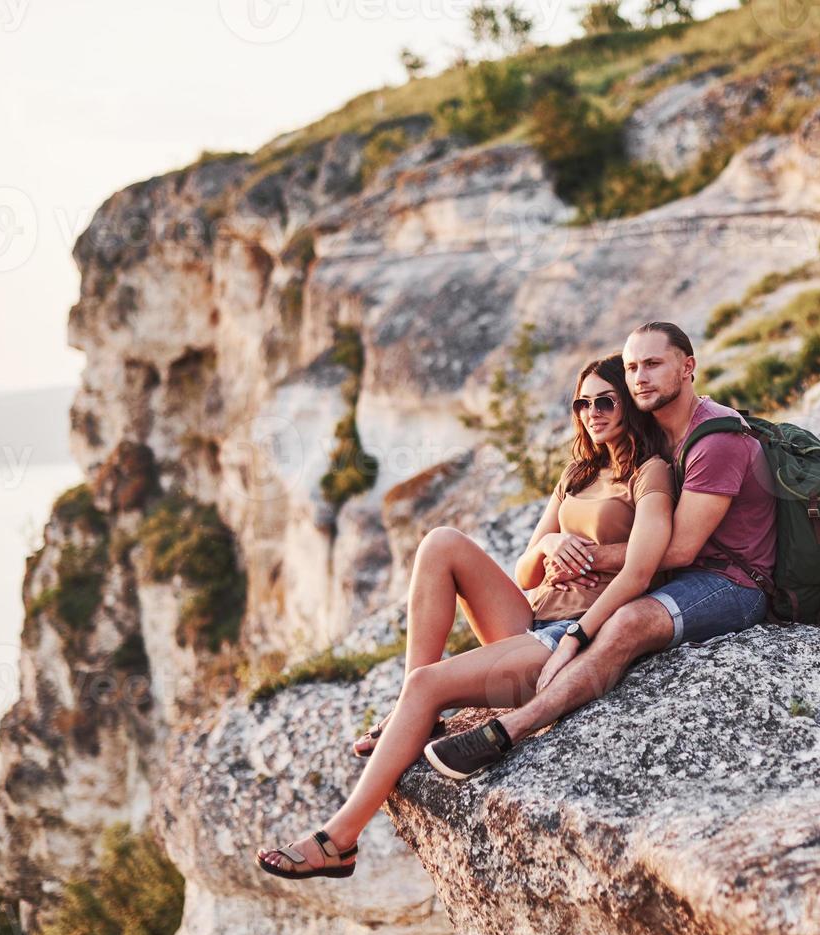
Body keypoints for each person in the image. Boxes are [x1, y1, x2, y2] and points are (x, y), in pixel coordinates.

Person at [255, 352, 676, 880]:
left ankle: (339, 840)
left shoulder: (650, 472)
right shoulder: (579, 471)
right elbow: (525, 571)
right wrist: (552, 543)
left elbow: (651, 561)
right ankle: (416, 705)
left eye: (606, 400)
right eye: (582, 402)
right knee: (440, 543)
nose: (593, 411)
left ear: (630, 404)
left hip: (573, 637)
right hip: (532, 616)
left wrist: (588, 558)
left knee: (432, 683)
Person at [422, 320, 776, 779]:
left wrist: (580, 563)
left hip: (733, 581)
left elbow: (681, 551)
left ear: (688, 368)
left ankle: (513, 727)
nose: (641, 377)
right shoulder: (658, 433)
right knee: (616, 612)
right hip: (678, 578)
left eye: (653, 364)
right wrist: (556, 549)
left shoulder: (716, 439)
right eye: (632, 367)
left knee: (627, 621)